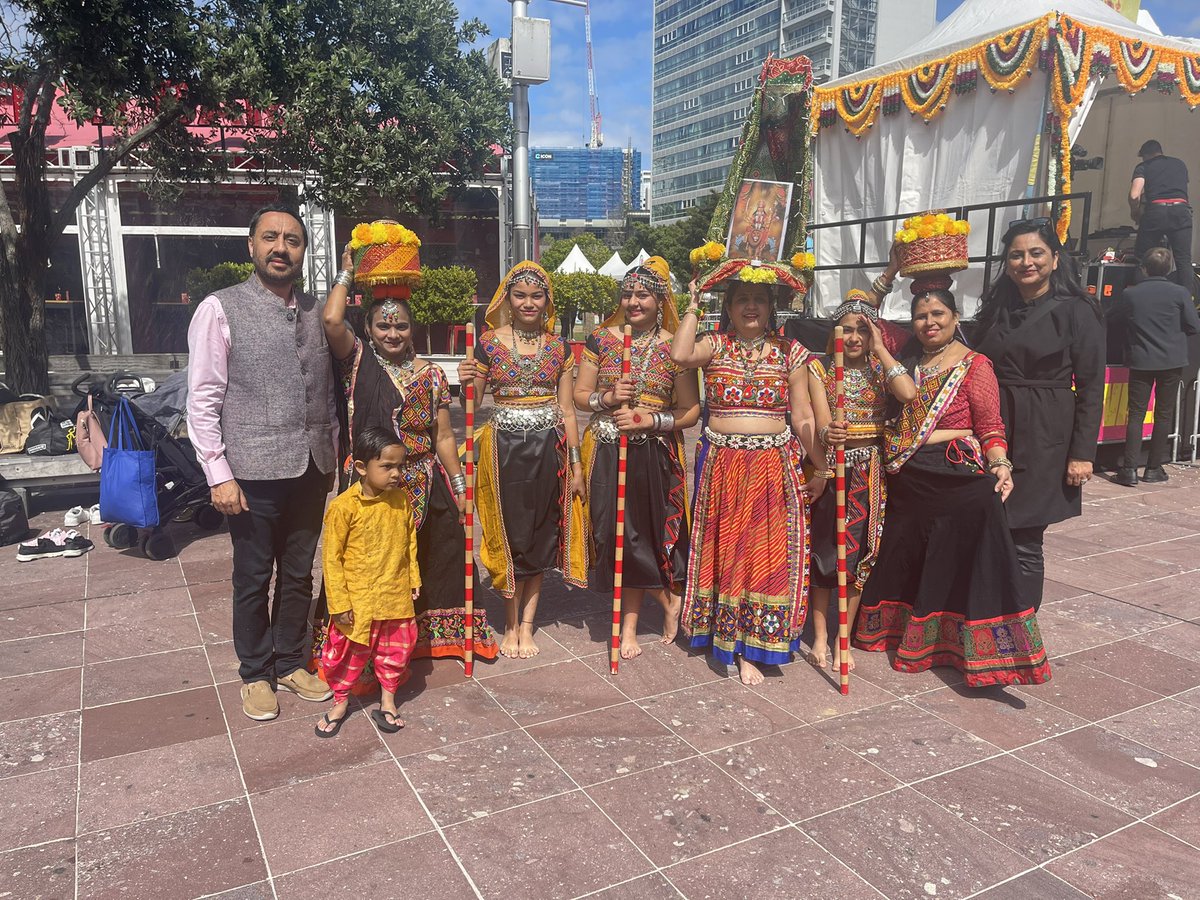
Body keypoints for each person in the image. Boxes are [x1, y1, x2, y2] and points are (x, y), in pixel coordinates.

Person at [855, 280, 1050, 687]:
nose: (929, 322)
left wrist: (999, 463)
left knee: (973, 540)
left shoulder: (975, 365)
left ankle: (985, 650)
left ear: (955, 318)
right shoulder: (907, 356)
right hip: (907, 476)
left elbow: (990, 425)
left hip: (953, 473)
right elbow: (859, 311)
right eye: (921, 316)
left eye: (938, 314)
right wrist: (890, 271)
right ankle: (901, 633)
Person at [187, 203, 336, 722]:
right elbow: (203, 398)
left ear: (302, 252)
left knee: (299, 573)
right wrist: (218, 473)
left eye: (292, 240)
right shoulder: (220, 308)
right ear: (251, 246)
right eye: (270, 238)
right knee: (253, 575)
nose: (281, 248)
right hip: (250, 469)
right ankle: (255, 671)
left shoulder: (320, 309)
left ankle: (292, 661)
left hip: (313, 464)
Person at [322, 236, 498, 662]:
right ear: (368, 329)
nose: (393, 333)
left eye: (400, 325)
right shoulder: (357, 361)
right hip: (370, 486)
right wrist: (346, 271)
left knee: (442, 554)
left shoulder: (433, 374)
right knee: (371, 562)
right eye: (383, 325)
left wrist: (460, 488)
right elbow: (330, 321)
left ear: (412, 328)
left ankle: (429, 638)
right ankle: (365, 645)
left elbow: (442, 436)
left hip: (423, 479)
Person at [672, 264, 827, 686]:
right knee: (725, 552)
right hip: (722, 465)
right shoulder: (715, 344)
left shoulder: (789, 352)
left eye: (759, 299)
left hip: (771, 466)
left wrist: (824, 463)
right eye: (742, 299)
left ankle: (754, 644)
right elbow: (680, 355)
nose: (752, 307)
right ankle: (728, 640)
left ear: (772, 306)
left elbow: (802, 415)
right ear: (728, 306)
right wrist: (691, 304)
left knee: (764, 555)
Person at [457, 262, 587, 659]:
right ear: (507, 301)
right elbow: (473, 403)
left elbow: (567, 410)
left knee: (542, 534)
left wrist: (578, 464)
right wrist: (465, 379)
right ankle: (509, 623)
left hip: (551, 449)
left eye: (536, 295)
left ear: (547, 301)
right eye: (520, 295)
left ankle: (527, 625)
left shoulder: (560, 347)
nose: (528, 303)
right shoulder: (489, 343)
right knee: (509, 535)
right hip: (504, 451)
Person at [973, 221, 1105, 612]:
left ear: (1055, 258)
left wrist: (1083, 453)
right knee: (989, 525)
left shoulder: (1078, 310)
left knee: (1025, 535)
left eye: (1035, 253)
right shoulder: (998, 307)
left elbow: (1093, 386)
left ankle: (1021, 626)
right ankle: (986, 617)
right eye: (1016, 254)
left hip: (1046, 431)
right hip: (995, 427)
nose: (1025, 262)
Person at [573, 257, 701, 659]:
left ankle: (627, 625)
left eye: (643, 294)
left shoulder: (674, 345)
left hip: (654, 451)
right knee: (609, 532)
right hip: (606, 448)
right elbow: (580, 396)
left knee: (639, 534)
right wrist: (608, 399)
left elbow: (691, 410)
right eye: (627, 293)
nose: (633, 301)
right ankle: (665, 600)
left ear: (660, 299)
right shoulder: (601, 338)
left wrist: (649, 418)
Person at [805, 291, 916, 672]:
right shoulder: (818, 368)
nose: (853, 337)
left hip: (870, 468)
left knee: (858, 556)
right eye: (846, 329)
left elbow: (908, 393)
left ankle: (842, 638)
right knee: (824, 553)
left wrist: (882, 349)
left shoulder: (879, 368)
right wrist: (828, 432)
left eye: (862, 330)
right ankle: (819, 634)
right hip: (833, 467)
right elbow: (820, 421)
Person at [316, 427, 421, 738]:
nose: (395, 474)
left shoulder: (401, 500)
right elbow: (331, 559)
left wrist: (413, 577)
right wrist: (340, 603)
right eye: (386, 466)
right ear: (361, 467)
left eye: (400, 466)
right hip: (357, 600)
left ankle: (388, 700)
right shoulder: (344, 507)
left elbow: (409, 542)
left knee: (396, 650)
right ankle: (339, 702)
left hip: (394, 593)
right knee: (346, 652)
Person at [1109, 247, 1200, 486]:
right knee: (1163, 414)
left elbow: (1111, 319)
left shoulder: (1131, 294)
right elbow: (1193, 325)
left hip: (1141, 359)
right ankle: (1153, 468)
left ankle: (1128, 470)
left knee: (1136, 414)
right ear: (1169, 270)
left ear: (1144, 269)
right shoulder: (1179, 293)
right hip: (1171, 360)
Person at [1130, 140, 1193, 296]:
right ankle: (1188, 303)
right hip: (1181, 211)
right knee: (1183, 260)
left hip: (1156, 213)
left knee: (1142, 257)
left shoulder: (1143, 167)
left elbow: (1134, 195)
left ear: (1145, 155)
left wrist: (1135, 212)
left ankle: (1141, 298)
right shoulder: (1180, 164)